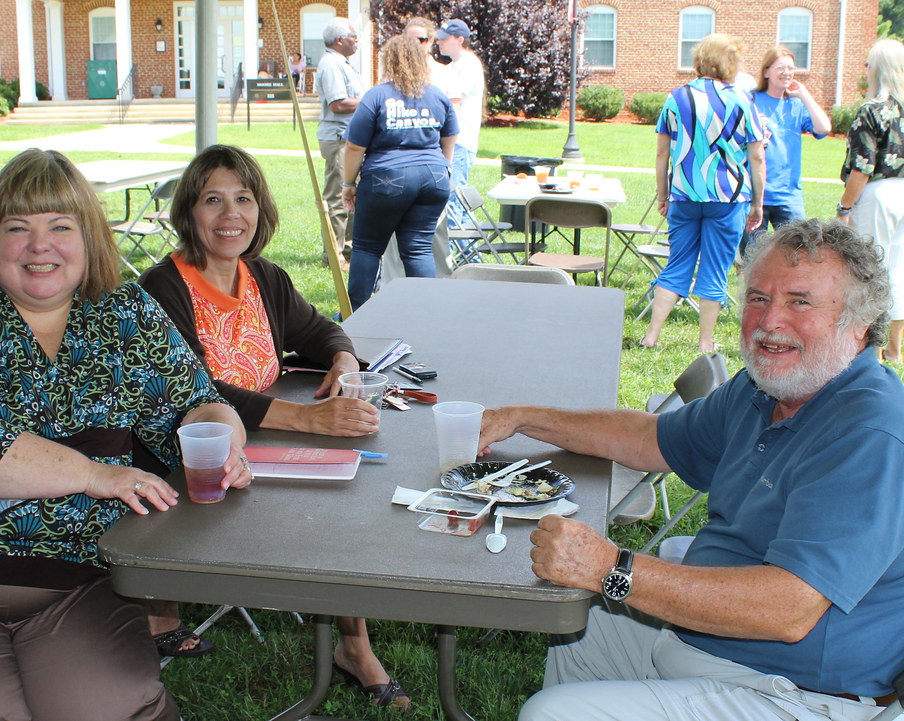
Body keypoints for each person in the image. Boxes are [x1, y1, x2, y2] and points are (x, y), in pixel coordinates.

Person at [478, 219, 904, 721]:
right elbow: (647, 438)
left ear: (859, 323)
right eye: (758, 298)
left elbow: (788, 610)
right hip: (706, 641)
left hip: (795, 694)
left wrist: (612, 569)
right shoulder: (764, 389)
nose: (770, 321)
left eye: (799, 302)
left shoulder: (869, 434)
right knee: (581, 626)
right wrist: (523, 418)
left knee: (554, 713)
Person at [0, 148, 251, 721]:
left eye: (60, 226)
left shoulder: (124, 312)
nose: (39, 246)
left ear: (89, 238)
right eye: (17, 228)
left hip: (79, 581)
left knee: (113, 706)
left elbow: (194, 402)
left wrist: (222, 442)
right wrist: (93, 474)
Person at [138, 144, 410, 709]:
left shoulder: (263, 276)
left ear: (260, 209)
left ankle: (353, 647)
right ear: (188, 211)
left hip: (265, 443)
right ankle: (158, 611)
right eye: (212, 200)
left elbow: (320, 330)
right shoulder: (161, 289)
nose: (230, 215)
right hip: (187, 463)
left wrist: (343, 360)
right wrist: (308, 418)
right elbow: (194, 390)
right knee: (332, 504)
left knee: (344, 499)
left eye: (243, 199)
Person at [643, 33, 766, 353]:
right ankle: (705, 342)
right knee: (715, 270)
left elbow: (662, 154)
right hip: (728, 199)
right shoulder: (742, 101)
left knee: (677, 264)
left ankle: (651, 335)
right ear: (730, 63)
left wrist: (663, 195)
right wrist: (758, 202)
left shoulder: (676, 98)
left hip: (684, 195)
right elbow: (757, 157)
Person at [341, 35, 457, 309]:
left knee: (367, 247)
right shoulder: (437, 95)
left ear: (389, 61)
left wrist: (348, 183)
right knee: (418, 248)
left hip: (386, 178)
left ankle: (357, 314)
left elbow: (354, 146)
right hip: (434, 177)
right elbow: (450, 138)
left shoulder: (377, 96)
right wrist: (442, 169)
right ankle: (424, 313)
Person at [838, 38, 904, 362]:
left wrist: (844, 207)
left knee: (870, 270)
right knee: (898, 270)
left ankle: (873, 351)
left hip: (879, 193)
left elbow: (862, 167)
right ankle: (894, 348)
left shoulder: (872, 110)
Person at [740, 46, 831, 255]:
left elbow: (824, 128)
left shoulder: (796, 105)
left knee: (798, 254)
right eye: (780, 67)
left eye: (790, 68)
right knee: (753, 258)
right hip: (756, 194)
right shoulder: (751, 100)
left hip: (789, 196)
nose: (786, 72)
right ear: (766, 72)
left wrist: (805, 95)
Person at [314, 17, 365, 271]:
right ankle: (334, 257)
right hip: (338, 139)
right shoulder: (332, 65)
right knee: (337, 198)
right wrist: (370, 100)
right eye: (353, 37)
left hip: (349, 138)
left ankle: (348, 251)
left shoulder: (342, 63)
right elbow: (338, 104)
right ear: (339, 40)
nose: (357, 42)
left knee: (352, 196)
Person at [434, 18, 485, 228]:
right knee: (457, 205)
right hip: (454, 142)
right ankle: (470, 250)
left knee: (453, 203)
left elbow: (453, 99)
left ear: (460, 40)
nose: (439, 42)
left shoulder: (469, 64)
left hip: (460, 143)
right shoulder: (454, 66)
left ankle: (455, 249)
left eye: (444, 39)